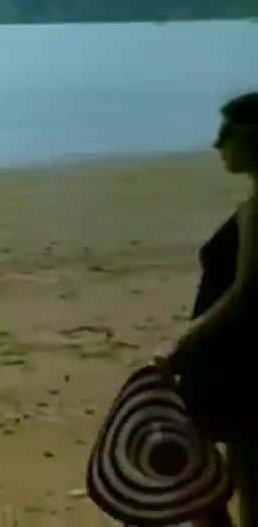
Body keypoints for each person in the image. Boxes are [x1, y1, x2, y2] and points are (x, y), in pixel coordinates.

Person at [158, 91, 258, 527]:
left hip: (242, 370)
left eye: (227, 133)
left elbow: (248, 292)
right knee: (197, 473)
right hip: (233, 366)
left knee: (201, 476)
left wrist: (182, 344)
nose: (217, 144)